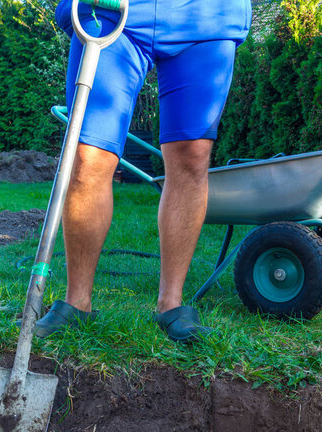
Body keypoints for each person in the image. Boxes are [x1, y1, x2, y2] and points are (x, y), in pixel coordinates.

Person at [34, 0, 251, 342]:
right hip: (112, 10)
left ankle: (171, 306)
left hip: (206, 15)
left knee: (192, 156)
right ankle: (77, 303)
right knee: (89, 156)